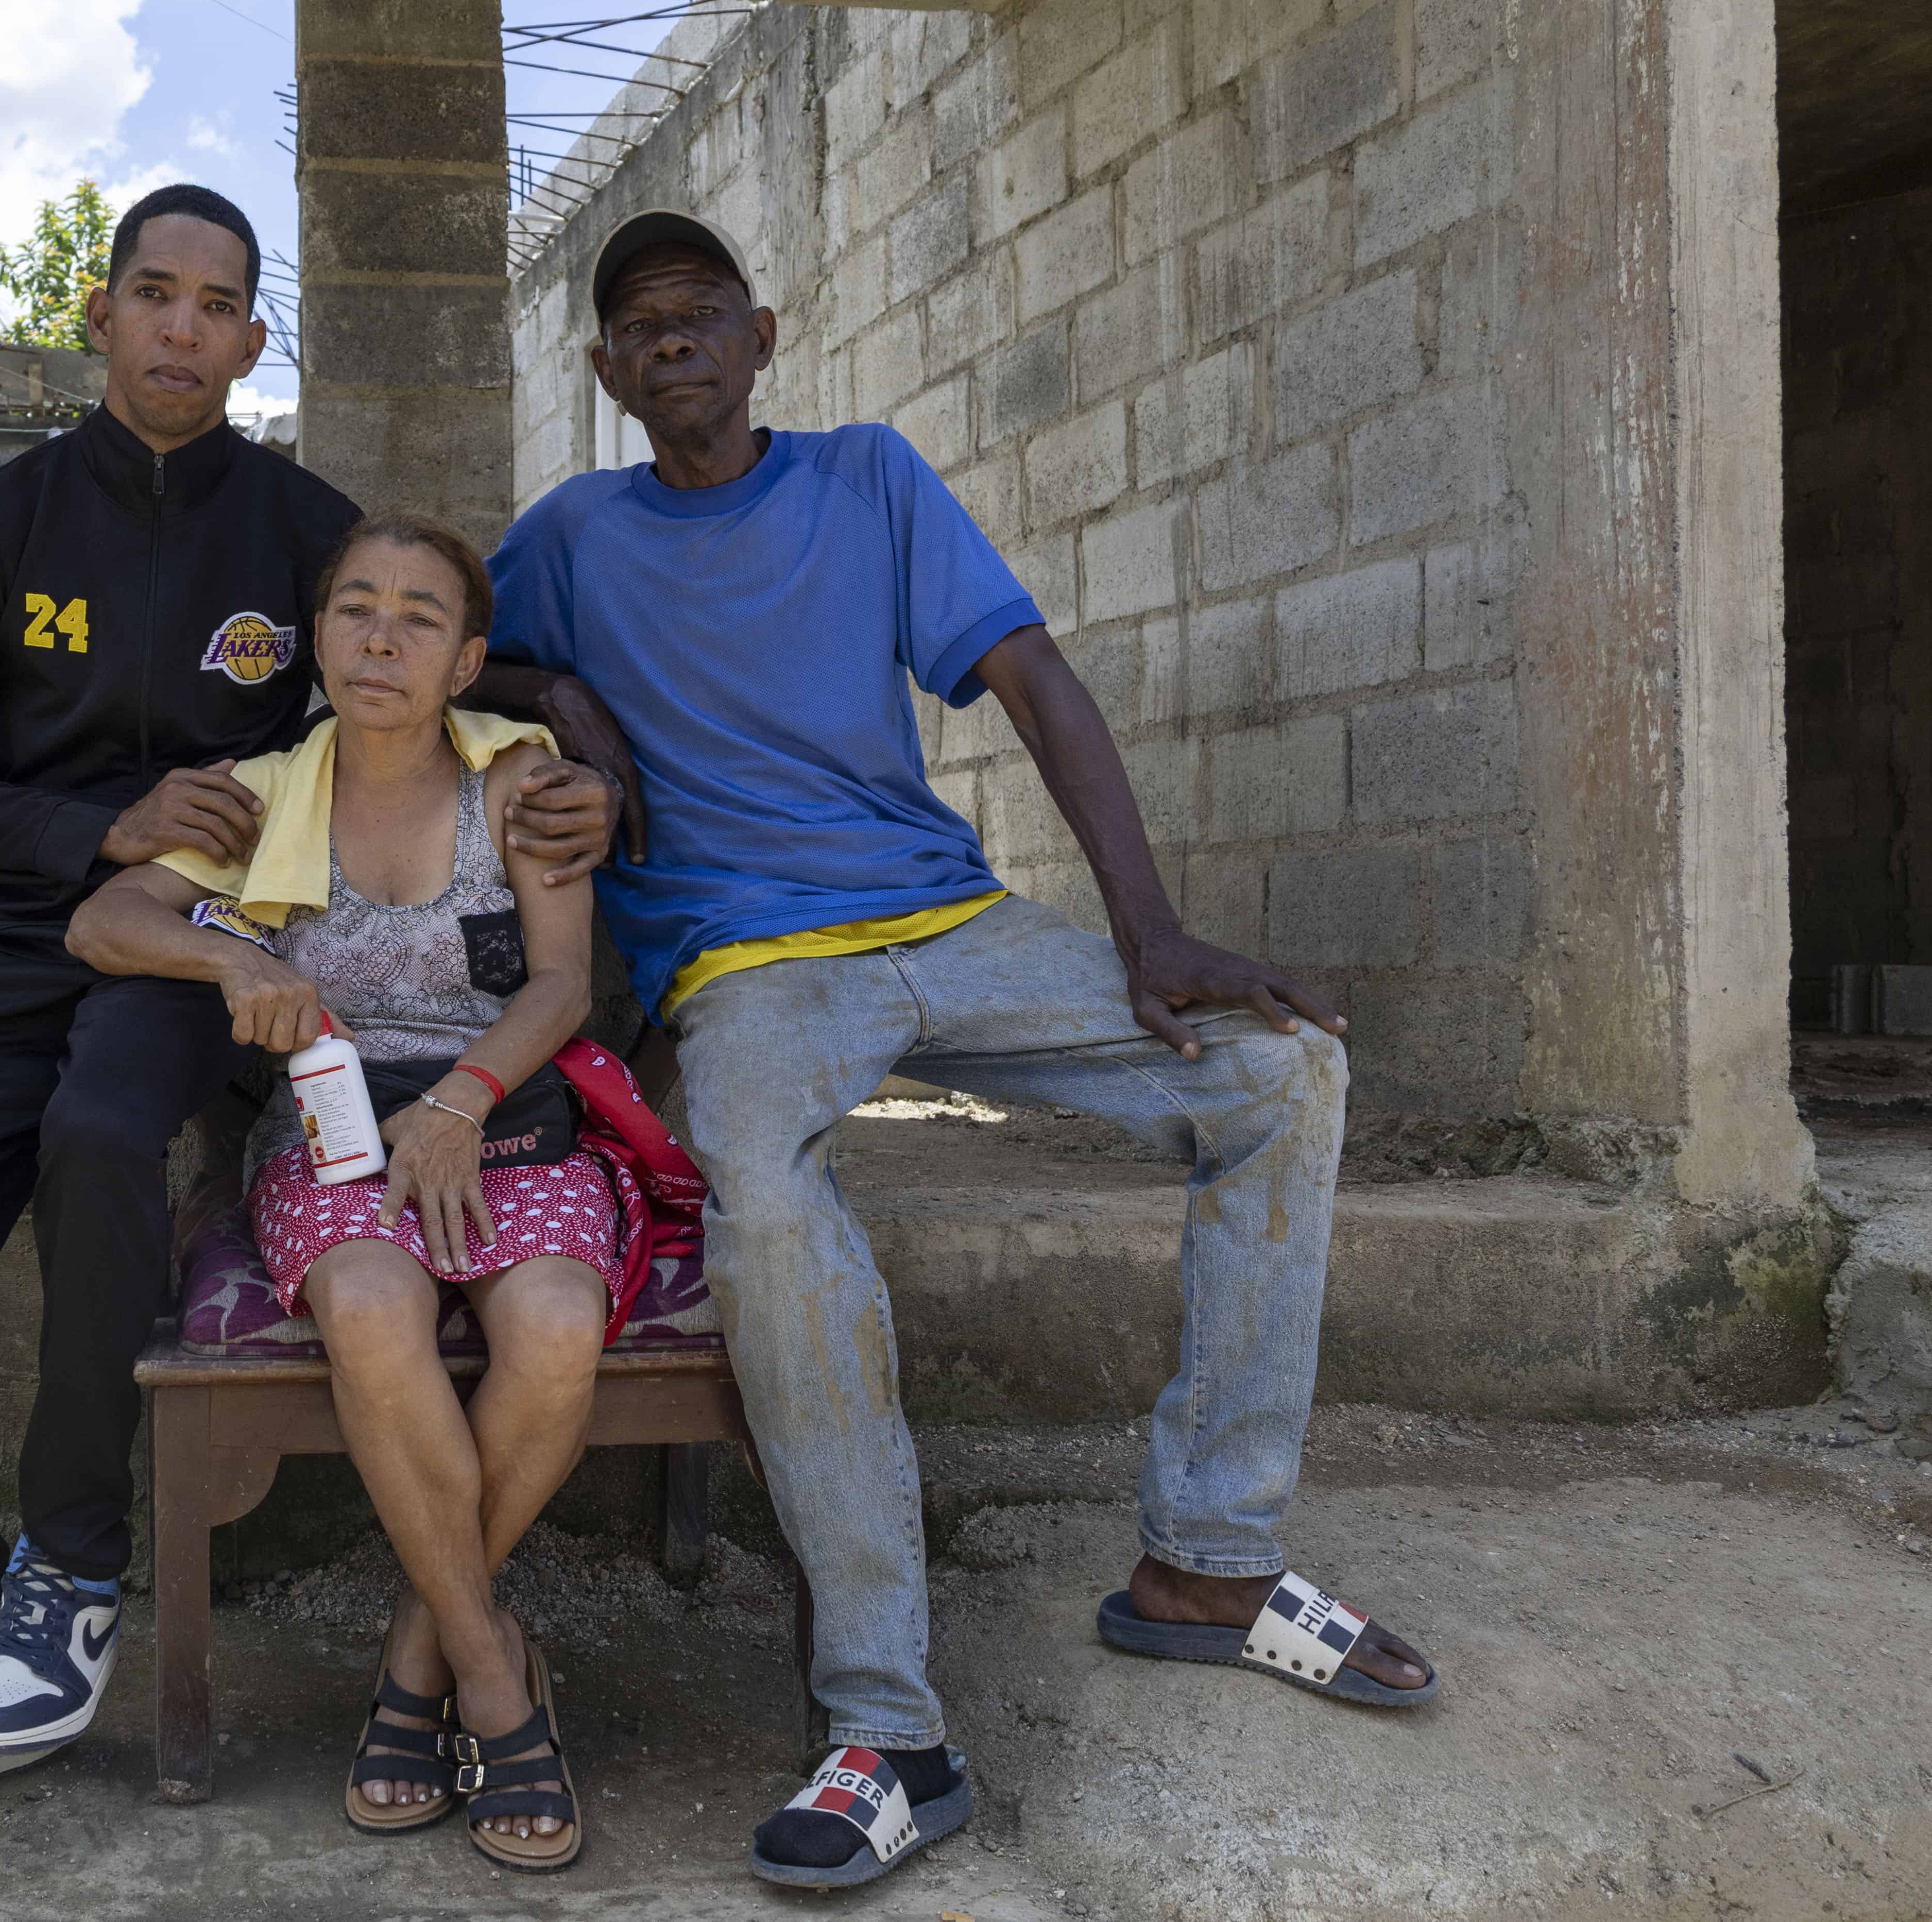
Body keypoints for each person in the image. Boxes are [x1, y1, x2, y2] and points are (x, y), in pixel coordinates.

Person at [480, 210, 1439, 1891]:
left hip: (949, 925)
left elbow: (1033, 677)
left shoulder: (865, 480)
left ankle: (1208, 1562)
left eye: (705, 314)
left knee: (1278, 1069)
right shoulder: (569, 535)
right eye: (641, 326)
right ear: (606, 370)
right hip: (748, 966)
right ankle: (889, 1730)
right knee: (766, 1205)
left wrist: (1149, 929)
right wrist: (558, 691)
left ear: (764, 335)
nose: (676, 342)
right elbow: (433, 642)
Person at [0, 188, 619, 1847]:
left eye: (217, 303)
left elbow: (456, 653)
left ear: (252, 340)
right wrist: (89, 830)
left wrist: (596, 775)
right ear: (101, 315)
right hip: (33, 929)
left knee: (104, 1141)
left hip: (213, 943)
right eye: (152, 294)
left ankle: (77, 1562)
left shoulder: (301, 526)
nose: (182, 326)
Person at [70, 512, 621, 1873]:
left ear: (467, 657)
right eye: (355, 609)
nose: (383, 637)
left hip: (505, 1116)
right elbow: (104, 918)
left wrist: (461, 1101)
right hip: (330, 1138)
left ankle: (425, 1651)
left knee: (554, 1328)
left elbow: (561, 984)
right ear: (315, 638)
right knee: (370, 1304)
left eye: (420, 617)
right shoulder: (263, 794)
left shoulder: (522, 781)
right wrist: (233, 964)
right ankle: (499, 1686)